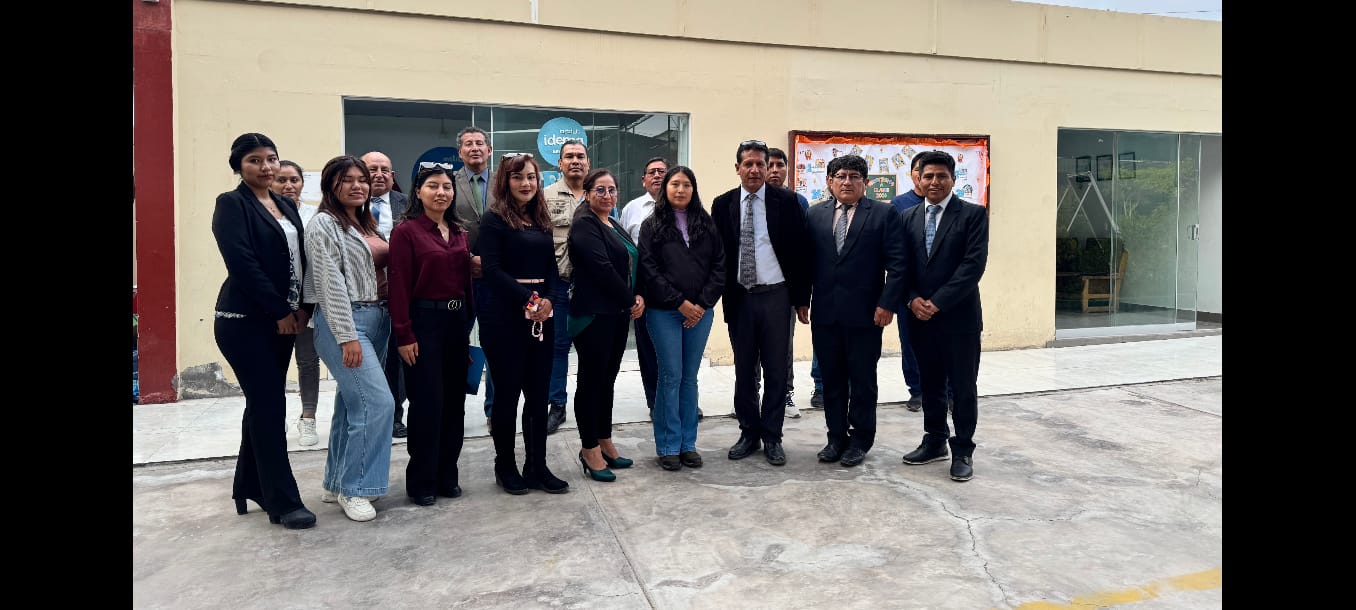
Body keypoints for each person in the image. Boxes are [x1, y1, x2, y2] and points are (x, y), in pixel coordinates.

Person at [212, 133, 316, 530]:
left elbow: (300, 260)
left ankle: (249, 485)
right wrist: (279, 310)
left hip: (284, 320)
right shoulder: (231, 204)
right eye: (255, 160)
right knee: (270, 406)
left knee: (261, 405)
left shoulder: (285, 204)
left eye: (271, 158)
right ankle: (283, 502)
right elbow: (242, 263)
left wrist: (303, 307)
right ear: (239, 166)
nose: (266, 167)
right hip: (245, 322)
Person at [304, 155, 396, 521]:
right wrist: (346, 336)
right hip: (346, 323)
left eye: (362, 179)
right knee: (377, 404)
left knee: (351, 404)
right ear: (331, 184)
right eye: (347, 180)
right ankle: (356, 488)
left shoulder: (365, 221)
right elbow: (330, 285)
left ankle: (336, 482)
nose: (358, 185)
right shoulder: (324, 224)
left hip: (378, 320)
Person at [710, 139, 810, 466]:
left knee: (777, 370)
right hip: (740, 297)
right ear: (737, 168)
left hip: (777, 296)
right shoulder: (723, 204)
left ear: (768, 168)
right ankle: (749, 432)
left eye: (760, 164)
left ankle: (772, 436)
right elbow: (717, 254)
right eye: (748, 164)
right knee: (744, 370)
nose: (754, 170)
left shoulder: (787, 202)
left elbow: (800, 252)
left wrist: (801, 300)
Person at [805, 155, 907, 468]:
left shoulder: (883, 214)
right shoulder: (815, 214)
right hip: (825, 314)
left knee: (862, 381)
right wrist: (801, 301)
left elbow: (898, 265)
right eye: (840, 176)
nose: (847, 182)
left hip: (867, 315)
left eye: (854, 176)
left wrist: (887, 304)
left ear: (865, 182)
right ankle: (836, 437)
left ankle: (861, 440)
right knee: (832, 380)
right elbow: (805, 263)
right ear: (829, 182)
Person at [479, 152, 570, 495]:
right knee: (507, 396)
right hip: (504, 318)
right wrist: (530, 302)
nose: (526, 183)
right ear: (506, 181)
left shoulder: (541, 217)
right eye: (518, 177)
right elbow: (492, 270)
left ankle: (537, 466)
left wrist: (549, 300)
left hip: (542, 317)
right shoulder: (494, 219)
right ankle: (505, 466)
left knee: (537, 396)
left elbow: (552, 268)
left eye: (531, 177)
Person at [899, 150, 990, 482]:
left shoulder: (973, 215)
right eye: (928, 176)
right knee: (930, 384)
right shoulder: (907, 217)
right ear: (918, 179)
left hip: (959, 319)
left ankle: (963, 449)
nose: (934, 182)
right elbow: (900, 266)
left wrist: (936, 302)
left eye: (941, 176)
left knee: (963, 387)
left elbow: (972, 267)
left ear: (953, 179)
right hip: (919, 319)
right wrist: (912, 300)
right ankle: (935, 439)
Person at [389, 162, 474, 506]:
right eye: (433, 186)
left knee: (454, 404)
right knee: (427, 404)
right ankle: (422, 480)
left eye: (447, 187)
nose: (441, 192)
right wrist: (404, 334)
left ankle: (447, 475)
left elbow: (466, 285)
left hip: (456, 325)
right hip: (423, 324)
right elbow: (398, 286)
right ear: (418, 192)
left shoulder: (459, 232)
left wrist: (467, 331)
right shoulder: (406, 232)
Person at [638, 166, 725, 471]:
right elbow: (648, 270)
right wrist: (679, 303)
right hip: (664, 312)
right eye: (675, 184)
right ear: (665, 188)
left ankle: (688, 444)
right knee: (671, 376)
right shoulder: (651, 225)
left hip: (700, 313)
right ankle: (668, 445)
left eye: (686, 184)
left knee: (689, 378)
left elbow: (719, 266)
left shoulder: (706, 224)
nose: (680, 190)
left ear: (693, 189)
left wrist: (701, 304)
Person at [567, 169, 645, 482]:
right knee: (591, 382)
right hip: (593, 316)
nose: (607, 195)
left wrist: (636, 295)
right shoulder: (584, 224)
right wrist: (630, 299)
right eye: (600, 190)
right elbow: (601, 268)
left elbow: (631, 262)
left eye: (612, 190)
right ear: (586, 194)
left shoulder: (612, 222)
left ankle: (604, 440)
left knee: (607, 381)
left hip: (616, 314)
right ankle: (589, 449)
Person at [361, 151, 413, 439]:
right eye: (372, 169)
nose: (379, 174)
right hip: (363, 295)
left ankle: (395, 415)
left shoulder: (408, 204)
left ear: (393, 176)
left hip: (401, 292)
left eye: (385, 170)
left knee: (397, 357)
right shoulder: (349, 206)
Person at [540, 139, 590, 435]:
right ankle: (557, 404)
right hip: (559, 284)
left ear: (588, 162)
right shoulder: (544, 197)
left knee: (591, 349)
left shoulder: (600, 194)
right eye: (569, 156)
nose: (575, 161)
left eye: (580, 156)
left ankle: (590, 403)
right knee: (558, 347)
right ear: (559, 164)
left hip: (592, 287)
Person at [270, 160, 321, 447]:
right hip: (274, 304)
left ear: (302, 183)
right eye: (281, 180)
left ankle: (308, 417)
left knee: (308, 361)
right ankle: (275, 417)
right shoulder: (264, 213)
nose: (288, 185)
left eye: (294, 180)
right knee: (273, 364)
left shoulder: (314, 215)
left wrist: (307, 305)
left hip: (306, 302)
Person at [451, 126, 498, 433]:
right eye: (468, 144)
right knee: (457, 344)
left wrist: (493, 262)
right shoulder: (448, 183)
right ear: (460, 152)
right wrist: (467, 259)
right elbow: (444, 226)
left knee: (496, 346)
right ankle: (454, 408)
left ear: (489, 150)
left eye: (480, 143)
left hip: (497, 276)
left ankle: (494, 410)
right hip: (460, 275)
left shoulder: (504, 182)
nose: (475, 148)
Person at [616, 156, 667, 418]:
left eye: (662, 171)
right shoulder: (631, 209)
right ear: (643, 180)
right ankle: (655, 402)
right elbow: (624, 250)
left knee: (676, 350)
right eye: (652, 172)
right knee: (648, 349)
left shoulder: (683, 206)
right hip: (644, 289)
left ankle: (682, 400)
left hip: (677, 289)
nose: (657, 175)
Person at [766, 147, 811, 419]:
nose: (774, 170)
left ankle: (786, 394)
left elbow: (803, 251)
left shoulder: (797, 202)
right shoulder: (747, 201)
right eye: (769, 165)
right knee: (751, 349)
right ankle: (751, 395)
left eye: (779, 165)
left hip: (784, 291)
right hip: (753, 289)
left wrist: (802, 296)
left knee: (784, 346)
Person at [889, 154, 930, 412]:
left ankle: (947, 391)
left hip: (942, 292)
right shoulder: (899, 205)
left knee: (945, 345)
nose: (927, 178)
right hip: (908, 290)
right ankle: (917, 390)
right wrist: (909, 294)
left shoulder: (957, 209)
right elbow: (895, 253)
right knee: (911, 342)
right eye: (919, 170)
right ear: (913, 174)